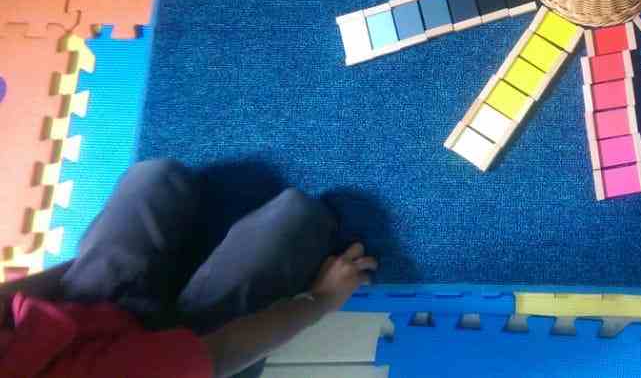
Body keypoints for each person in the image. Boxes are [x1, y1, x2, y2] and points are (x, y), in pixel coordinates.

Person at [0, 160, 378, 378]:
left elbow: (13, 297)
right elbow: (225, 350)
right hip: (193, 360)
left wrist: (91, 263)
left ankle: (163, 275)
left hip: (90, 321)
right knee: (296, 218)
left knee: (156, 178)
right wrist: (321, 300)